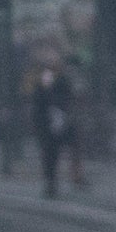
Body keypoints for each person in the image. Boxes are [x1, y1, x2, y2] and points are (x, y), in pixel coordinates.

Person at [29, 62, 78, 200]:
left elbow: (68, 96)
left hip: (59, 120)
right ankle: (50, 180)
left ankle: (52, 180)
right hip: (45, 121)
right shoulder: (41, 79)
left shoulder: (62, 79)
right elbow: (37, 100)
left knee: (54, 152)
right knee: (48, 152)